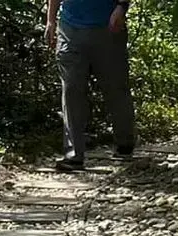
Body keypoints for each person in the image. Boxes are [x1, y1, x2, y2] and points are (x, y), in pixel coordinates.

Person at [46, 0, 136, 171]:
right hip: (70, 29)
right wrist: (50, 20)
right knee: (71, 89)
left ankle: (124, 142)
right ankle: (74, 154)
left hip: (108, 28)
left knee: (115, 87)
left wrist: (122, 7)